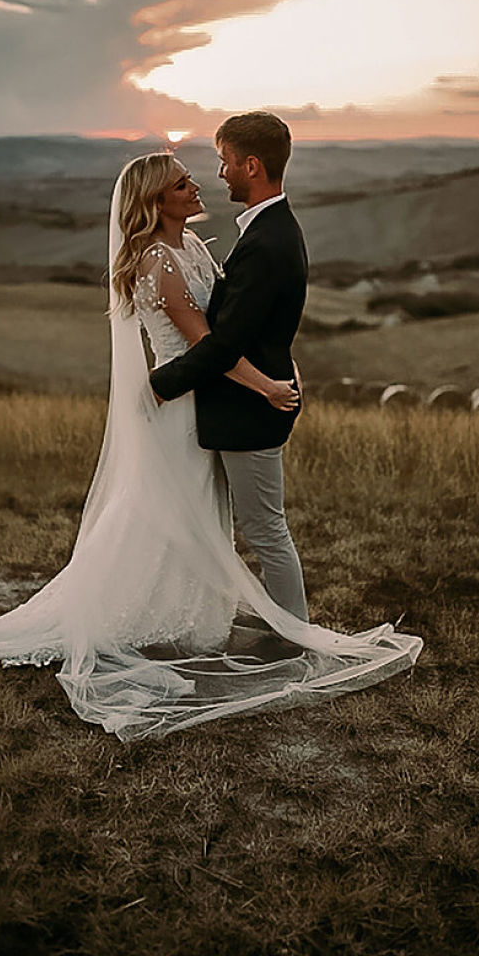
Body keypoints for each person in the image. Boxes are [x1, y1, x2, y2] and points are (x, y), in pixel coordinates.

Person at [0, 134, 423, 741]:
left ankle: (192, 614)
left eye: (198, 175)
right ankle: (134, 612)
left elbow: (238, 323)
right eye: (183, 183)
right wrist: (267, 384)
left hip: (201, 399)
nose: (198, 186)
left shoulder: (189, 244)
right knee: (163, 513)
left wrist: (278, 367)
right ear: (157, 201)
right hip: (181, 406)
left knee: (193, 514)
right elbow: (204, 344)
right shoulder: (158, 261)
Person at [150, 113, 308, 624]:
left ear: (253, 165)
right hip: (238, 406)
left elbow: (225, 344)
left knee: (266, 532)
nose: (220, 174)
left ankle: (296, 639)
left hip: (248, 410)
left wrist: (158, 384)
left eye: (226, 162)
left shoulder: (265, 243)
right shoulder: (268, 231)